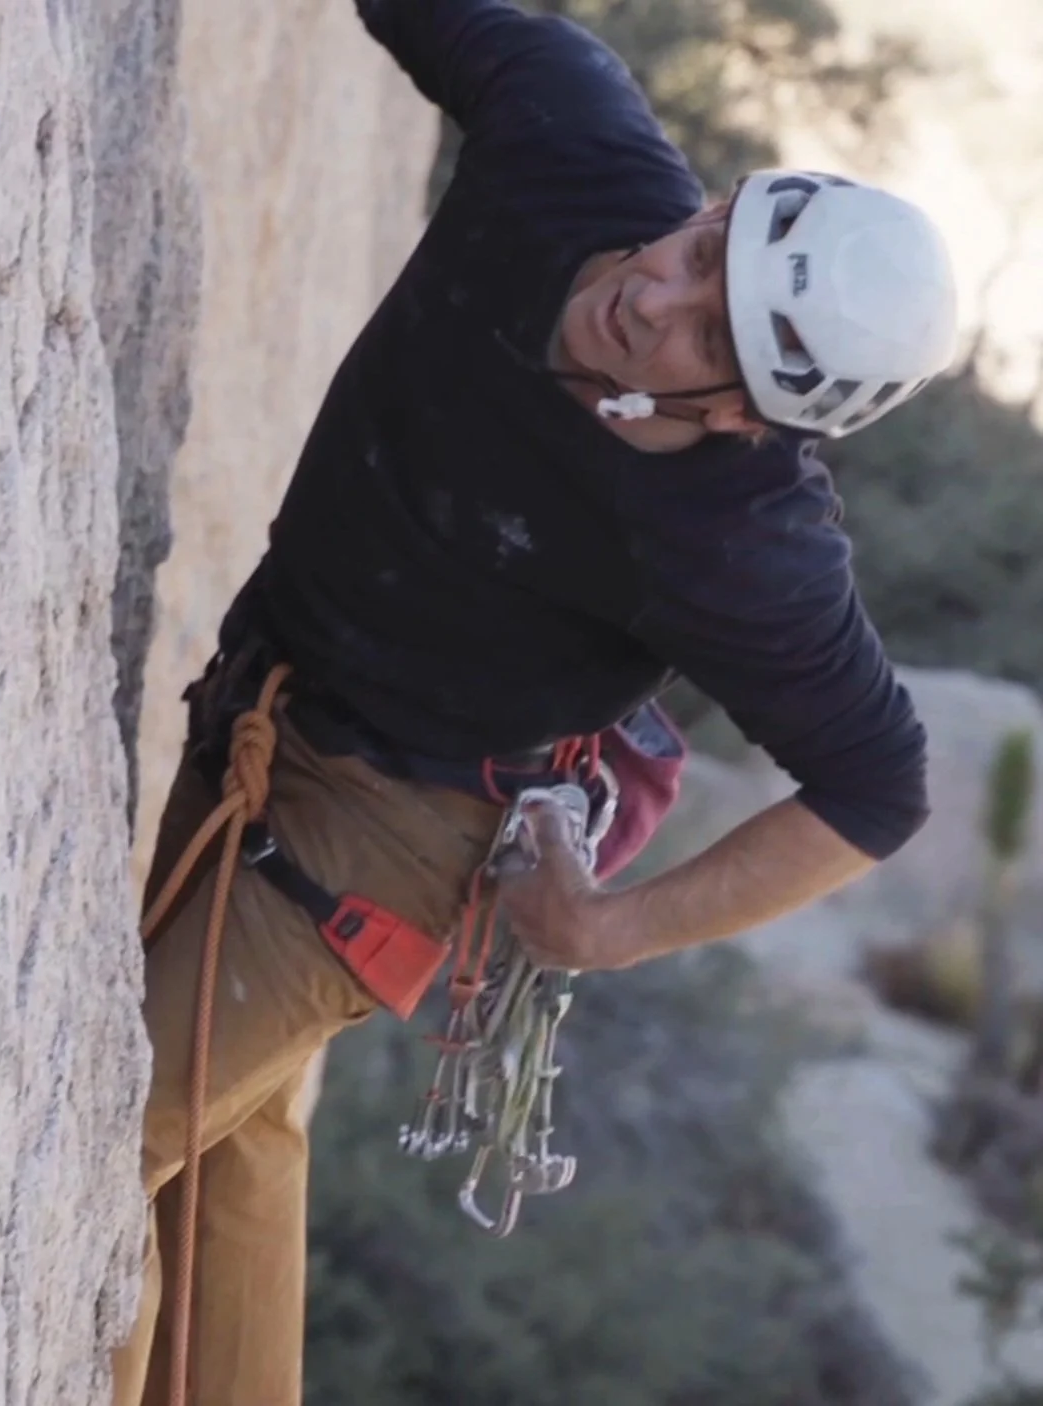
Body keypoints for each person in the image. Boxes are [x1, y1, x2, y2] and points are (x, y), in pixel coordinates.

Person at [111, 3, 961, 1403]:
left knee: (96, 1142)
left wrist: (609, 929)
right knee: (227, 1149)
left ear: (749, 416)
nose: (653, 297)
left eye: (706, 335)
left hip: (395, 831)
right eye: (701, 249)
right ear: (723, 199)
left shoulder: (739, 541)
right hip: (274, 687)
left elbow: (877, 786)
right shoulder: (568, 143)